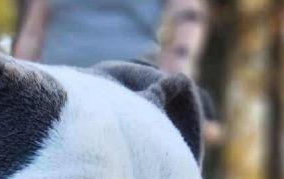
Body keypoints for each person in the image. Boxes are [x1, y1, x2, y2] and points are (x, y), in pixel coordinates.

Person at [14, 0, 222, 143]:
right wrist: (19, 91)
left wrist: (173, 85)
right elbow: (32, 32)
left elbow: (189, 17)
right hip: (59, 91)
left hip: (131, 92)